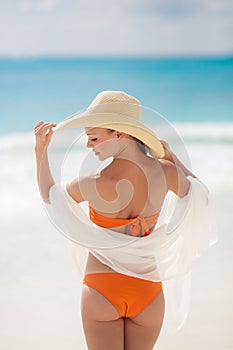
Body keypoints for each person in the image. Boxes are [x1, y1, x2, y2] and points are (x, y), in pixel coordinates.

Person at [34, 91, 206, 350]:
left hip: (102, 291)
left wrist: (40, 150)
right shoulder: (167, 173)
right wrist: (174, 160)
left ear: (119, 134)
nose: (89, 146)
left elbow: (50, 197)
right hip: (149, 295)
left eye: (94, 138)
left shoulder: (95, 183)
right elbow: (200, 196)